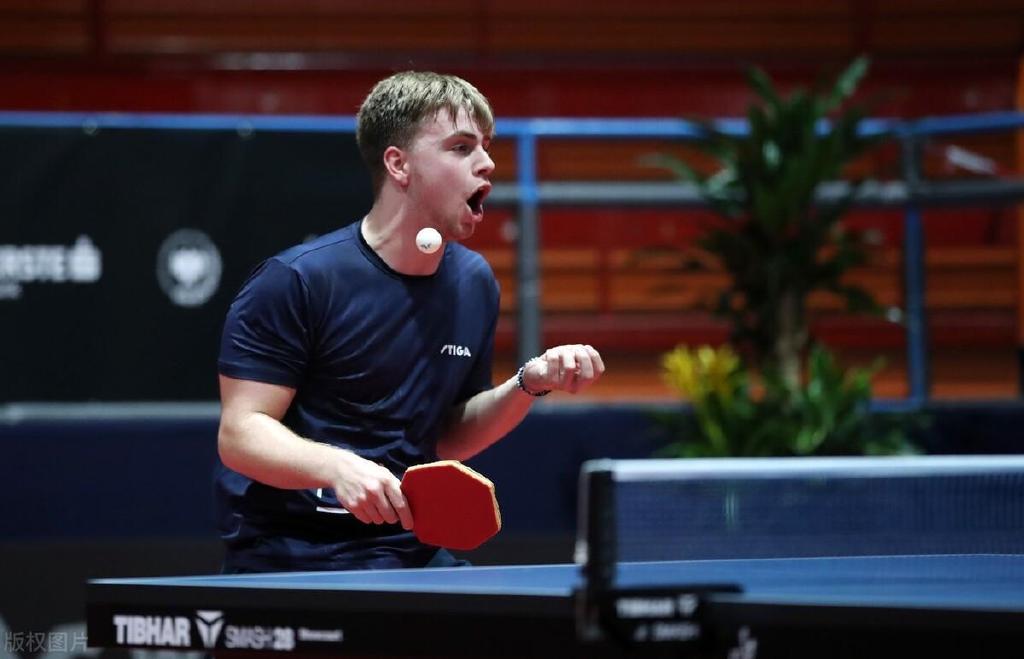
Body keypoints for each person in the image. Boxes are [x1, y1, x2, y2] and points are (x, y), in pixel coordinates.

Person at [214, 71, 605, 573]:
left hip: (406, 549)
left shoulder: (473, 282)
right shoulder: (297, 281)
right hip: (292, 555)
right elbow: (241, 434)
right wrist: (336, 466)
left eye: (485, 147)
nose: (487, 163)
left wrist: (529, 383)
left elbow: (447, 436)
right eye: (460, 147)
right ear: (399, 165)